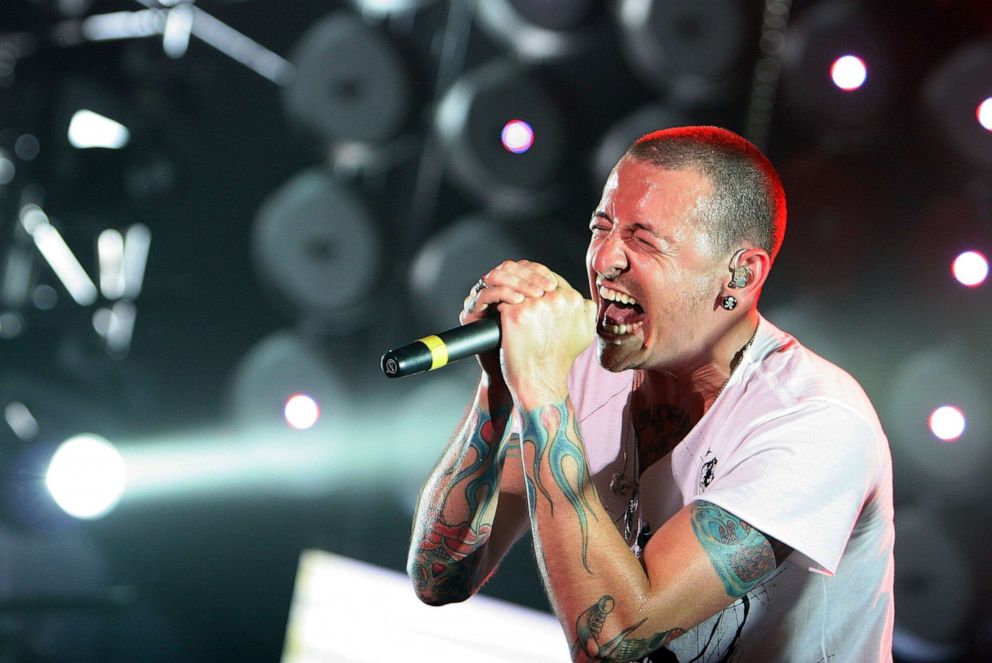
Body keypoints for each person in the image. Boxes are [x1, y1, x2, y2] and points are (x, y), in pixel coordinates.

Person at [406, 126, 894, 662]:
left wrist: (543, 391)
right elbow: (439, 577)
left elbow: (614, 640)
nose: (605, 259)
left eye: (643, 239)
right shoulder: (575, 359)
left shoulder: (814, 419)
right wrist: (499, 385)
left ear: (740, 273)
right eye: (601, 227)